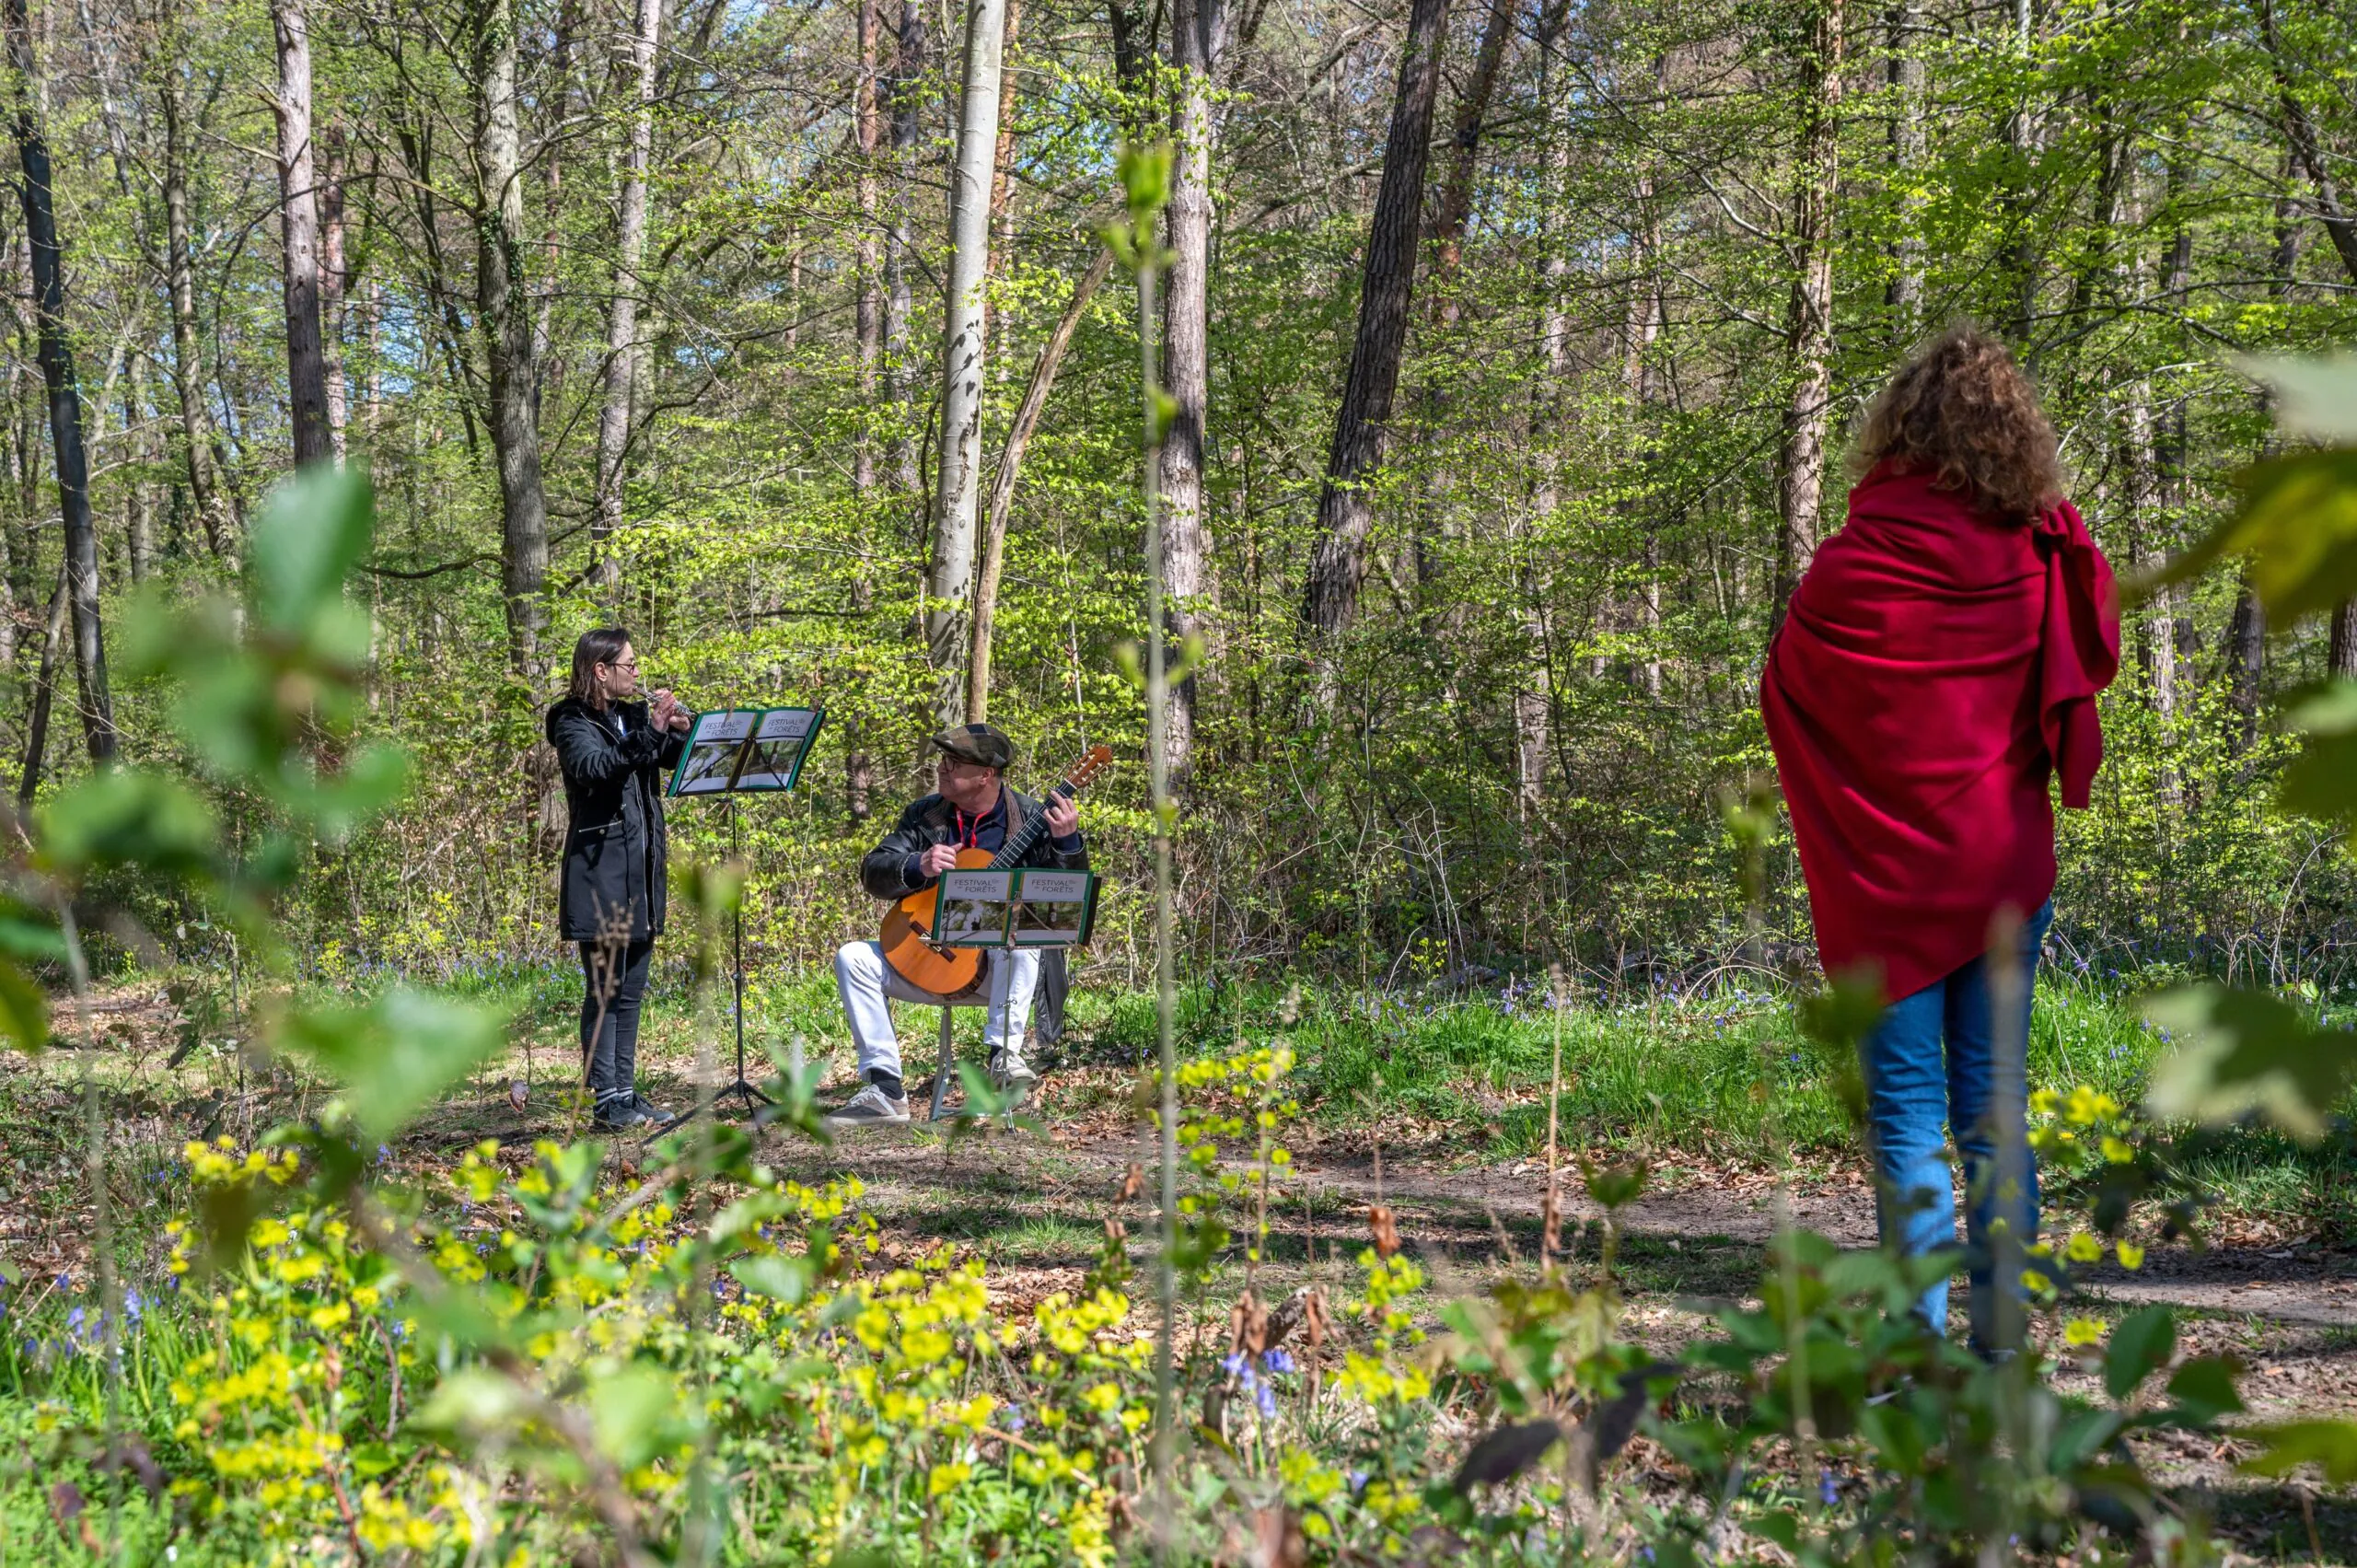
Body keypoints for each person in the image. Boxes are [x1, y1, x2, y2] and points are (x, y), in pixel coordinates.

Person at [1760, 326, 2119, 1347]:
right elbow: (2078, 676)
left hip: (1885, 880)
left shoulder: (1853, 560)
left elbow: (1784, 688)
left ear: (1898, 426)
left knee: (1910, 1117)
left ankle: (1916, 1354)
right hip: (2002, 869)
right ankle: (2002, 1347)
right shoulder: (2036, 552)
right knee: (1994, 1108)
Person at [826, 723, 1087, 1128]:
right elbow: (874, 872)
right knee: (853, 957)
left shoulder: (1034, 818)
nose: (942, 769)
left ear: (986, 774)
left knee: (1018, 938)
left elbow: (1061, 909)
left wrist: (1067, 844)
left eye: (954, 762)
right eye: (942, 760)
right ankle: (885, 1089)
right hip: (927, 960)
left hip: (999, 975)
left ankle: (1003, 1057)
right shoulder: (924, 815)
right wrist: (917, 864)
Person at [547, 628, 692, 1132]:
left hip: (642, 870)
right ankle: (605, 1099)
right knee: (604, 989)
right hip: (600, 870)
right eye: (629, 664)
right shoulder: (570, 720)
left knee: (630, 989)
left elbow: (670, 759)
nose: (637, 672)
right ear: (601, 671)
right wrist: (651, 733)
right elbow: (596, 768)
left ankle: (625, 1092)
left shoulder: (632, 715)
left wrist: (676, 730)